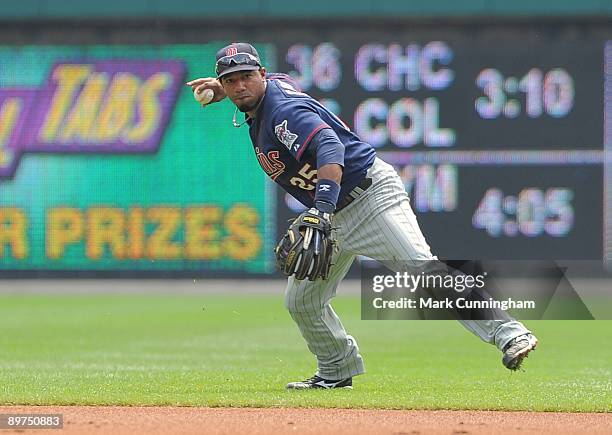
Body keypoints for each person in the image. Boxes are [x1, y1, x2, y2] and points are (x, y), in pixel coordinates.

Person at [186, 42, 538, 390]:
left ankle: (510, 334)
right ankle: (336, 368)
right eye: (231, 80)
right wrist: (221, 89)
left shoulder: (282, 114)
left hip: (369, 196)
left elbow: (330, 147)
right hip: (334, 212)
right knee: (302, 301)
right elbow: (261, 84)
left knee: (422, 269)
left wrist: (321, 209)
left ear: (262, 74)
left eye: (247, 76)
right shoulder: (271, 89)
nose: (240, 85)